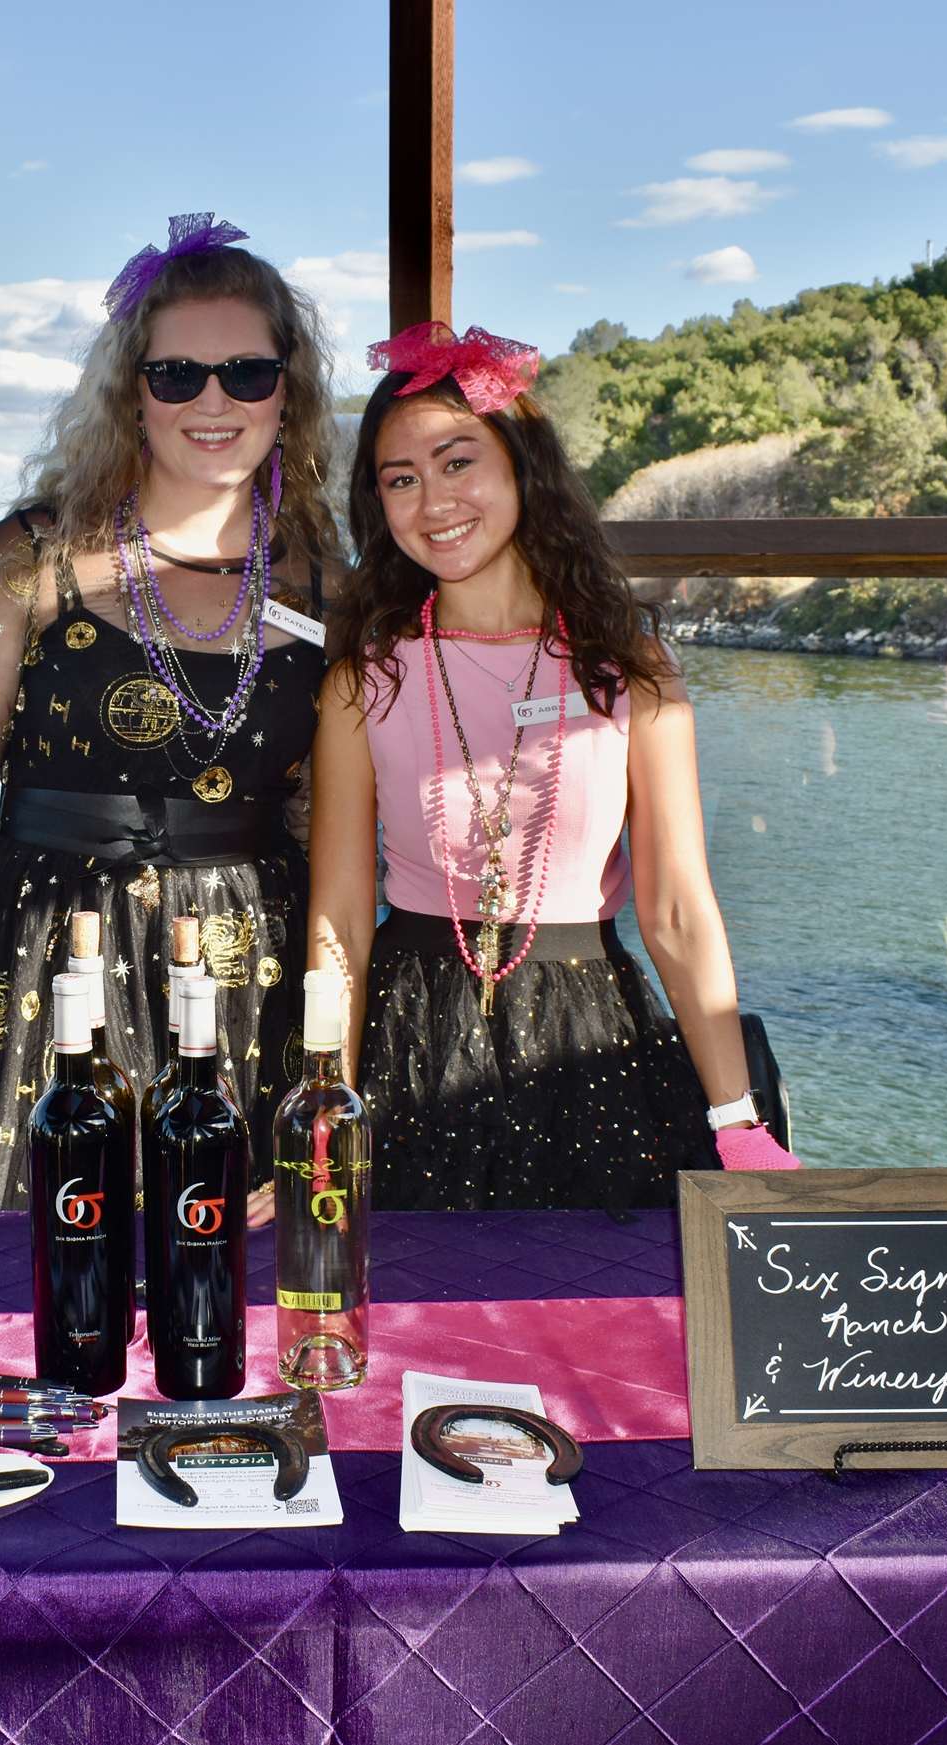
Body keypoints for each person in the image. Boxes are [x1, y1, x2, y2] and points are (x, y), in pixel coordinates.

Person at [0, 214, 340, 1209]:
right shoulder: (33, 557)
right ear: (132, 392)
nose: (212, 401)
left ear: (289, 391)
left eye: (247, 373)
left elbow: (330, 834)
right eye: (178, 374)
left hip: (245, 989)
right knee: (40, 1299)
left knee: (224, 1306)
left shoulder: (324, 585)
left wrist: (326, 1060)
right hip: (51, 969)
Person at [301, 321, 797, 1215]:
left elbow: (678, 910)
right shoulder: (363, 680)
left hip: (594, 1045)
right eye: (400, 479)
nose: (433, 500)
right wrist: (325, 1105)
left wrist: (737, 1118)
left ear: (522, 466)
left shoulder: (628, 669)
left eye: (459, 463)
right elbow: (339, 919)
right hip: (411, 1041)